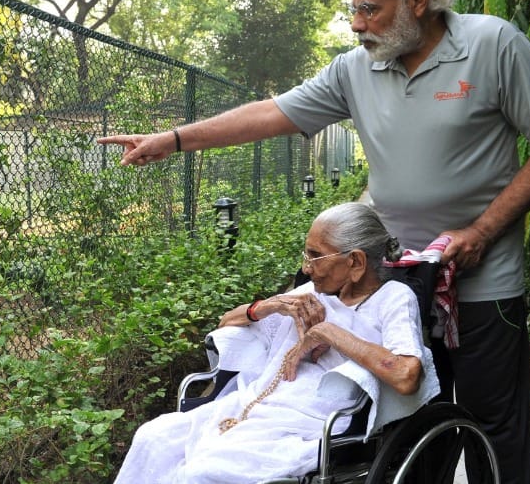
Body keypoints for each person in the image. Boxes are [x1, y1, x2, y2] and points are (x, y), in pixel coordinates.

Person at [99, 0, 530, 483]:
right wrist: (176, 138)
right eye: (353, 9)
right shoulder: (357, 69)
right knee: (412, 421)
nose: (356, 25)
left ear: (417, 0)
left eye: (369, 10)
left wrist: (483, 230)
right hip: (395, 280)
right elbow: (272, 113)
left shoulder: (494, 45)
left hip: (484, 275)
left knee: (493, 422)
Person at [114, 203, 439, 484]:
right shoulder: (310, 293)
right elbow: (226, 323)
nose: (305, 268)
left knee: (204, 471)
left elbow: (406, 375)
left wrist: (327, 332)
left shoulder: (393, 299)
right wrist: (266, 307)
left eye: (315, 256)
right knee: (152, 439)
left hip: (309, 422)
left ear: (355, 262)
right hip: (252, 403)